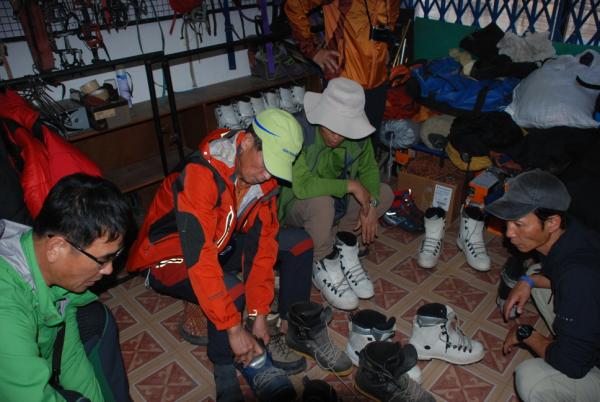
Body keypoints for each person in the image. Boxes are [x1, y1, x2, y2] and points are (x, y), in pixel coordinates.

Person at [126, 109, 312, 401]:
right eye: (267, 164)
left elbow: (262, 248)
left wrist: (259, 313)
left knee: (298, 244)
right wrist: (234, 328)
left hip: (218, 242)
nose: (268, 175)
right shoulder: (200, 174)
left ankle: (290, 327)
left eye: (276, 168)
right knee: (231, 292)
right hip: (168, 256)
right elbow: (200, 257)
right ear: (247, 141)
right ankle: (224, 365)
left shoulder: (263, 177)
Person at [0, 173, 132, 402]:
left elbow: (68, 356)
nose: (109, 270)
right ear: (56, 247)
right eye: (102, 260)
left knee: (95, 319)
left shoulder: (44, 260)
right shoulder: (5, 310)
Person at [278, 77, 394, 310]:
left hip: (336, 204)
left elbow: (369, 169)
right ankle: (322, 259)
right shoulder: (300, 131)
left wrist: (371, 204)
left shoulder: (358, 138)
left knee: (384, 193)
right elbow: (303, 187)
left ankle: (344, 246)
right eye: (331, 127)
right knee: (322, 203)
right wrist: (351, 186)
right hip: (298, 205)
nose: (336, 136)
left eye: (343, 130)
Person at [486, 169, 600, 402]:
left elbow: (572, 364)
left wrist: (526, 334)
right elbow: (558, 277)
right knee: (534, 274)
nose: (509, 233)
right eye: (508, 222)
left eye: (518, 224)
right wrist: (527, 281)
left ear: (552, 222)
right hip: (587, 305)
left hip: (585, 359)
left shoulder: (579, 277)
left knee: (532, 380)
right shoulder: (573, 234)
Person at [285, 0, 400, 134]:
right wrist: (312, 51)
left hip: (378, 82)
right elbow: (295, 4)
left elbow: (390, 14)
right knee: (338, 140)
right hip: (344, 81)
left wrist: (386, 45)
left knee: (370, 139)